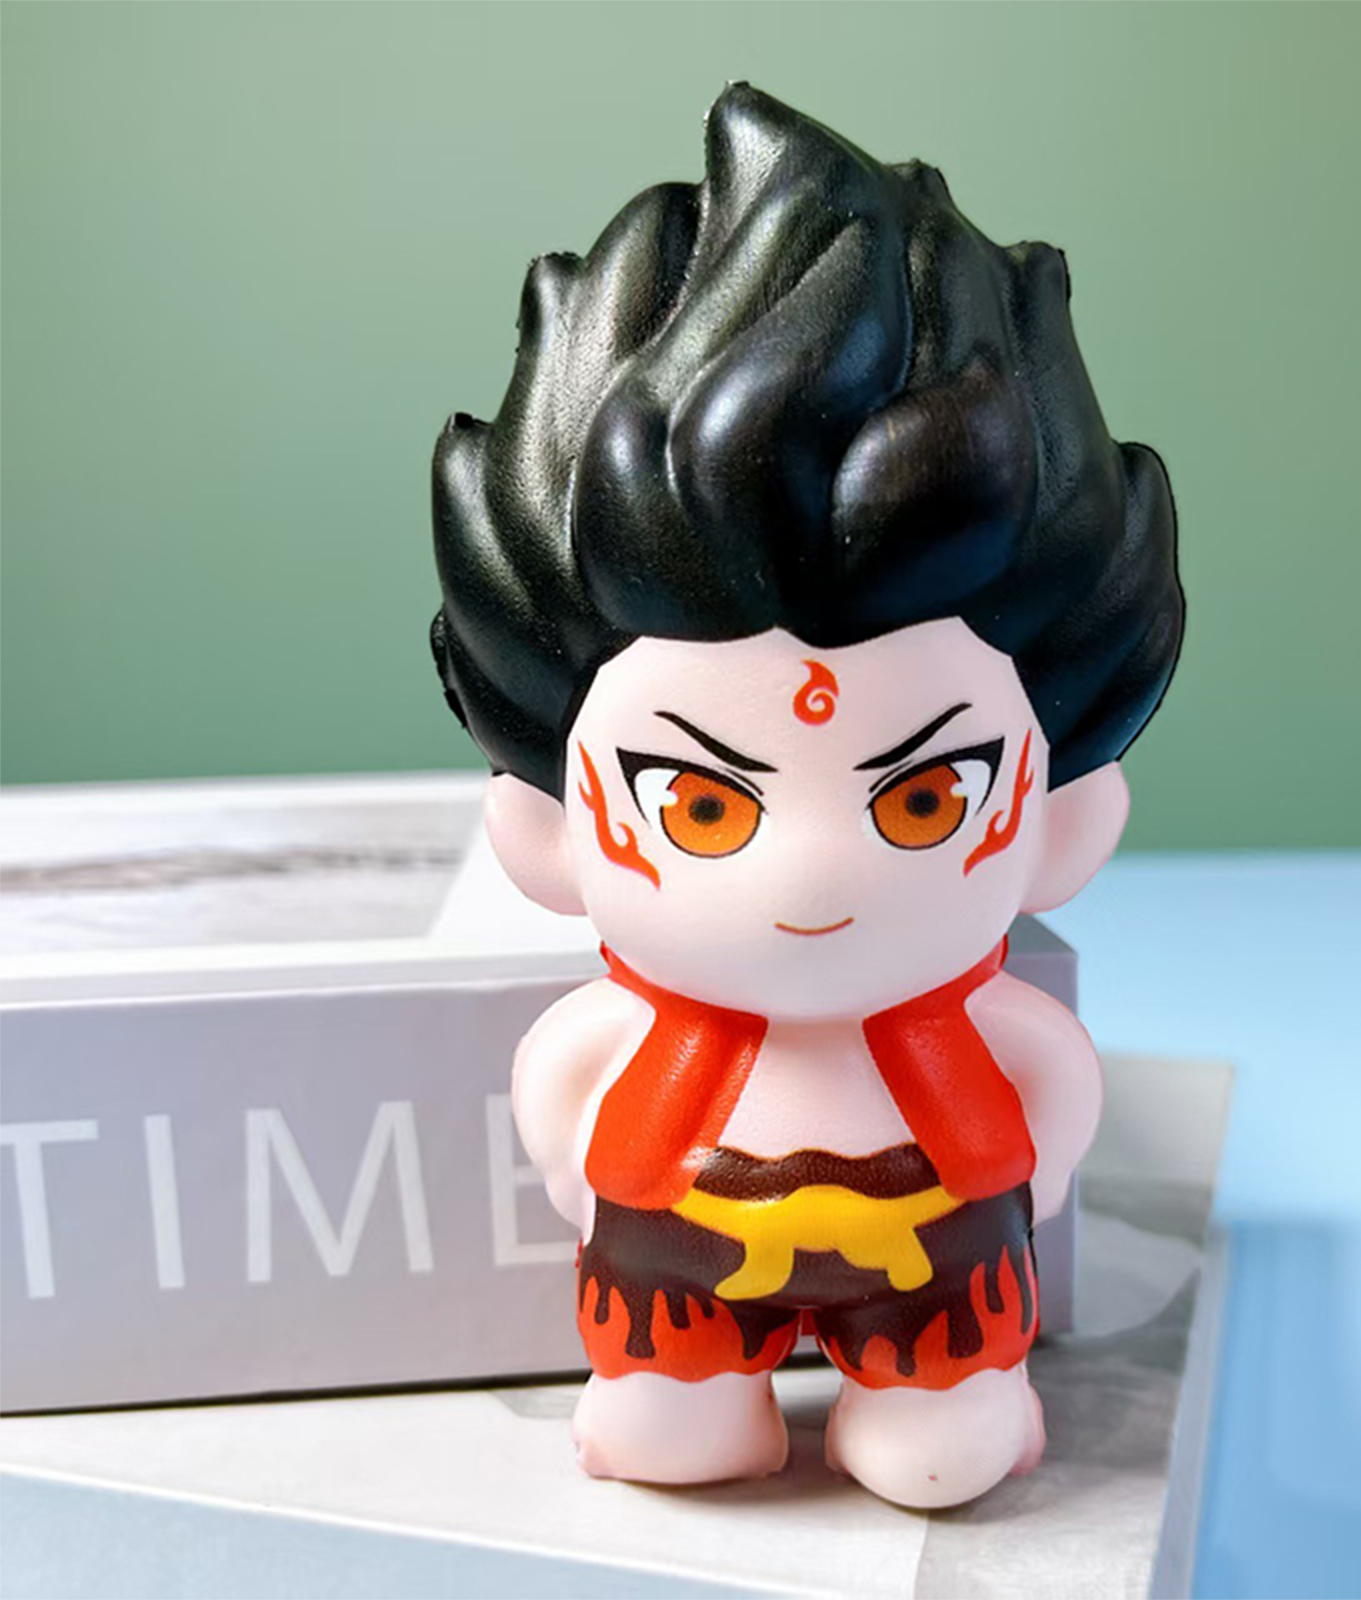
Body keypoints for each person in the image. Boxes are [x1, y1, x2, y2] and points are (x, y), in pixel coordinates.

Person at [430, 83, 1182, 1509]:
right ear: (549, 831)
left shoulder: (990, 1039)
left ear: (1060, 825)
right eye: (704, 809)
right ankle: (680, 1395)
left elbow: (1051, 1122)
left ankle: (945, 1400)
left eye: (922, 804)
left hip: (937, 1277)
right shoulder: (624, 1036)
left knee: (940, 1430)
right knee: (670, 1402)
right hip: (679, 1271)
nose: (812, 875)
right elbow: (565, 1119)